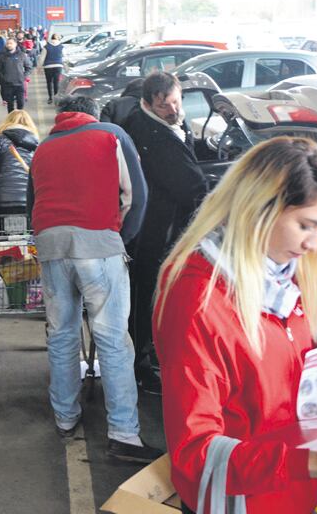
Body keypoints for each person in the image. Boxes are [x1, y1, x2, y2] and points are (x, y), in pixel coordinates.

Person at [155, 136, 317, 513]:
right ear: (260, 208)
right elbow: (197, 452)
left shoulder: (280, 270)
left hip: (295, 488)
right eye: (306, 226)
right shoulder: (198, 300)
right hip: (244, 500)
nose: (313, 244)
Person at [28, 95, 155, 462]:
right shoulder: (111, 134)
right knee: (113, 340)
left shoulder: (43, 148)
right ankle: (124, 435)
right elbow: (137, 195)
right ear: (92, 114)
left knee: (62, 334)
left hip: (51, 247)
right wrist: (121, 237)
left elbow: (30, 202)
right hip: (98, 244)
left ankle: (65, 418)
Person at [124, 72, 208, 394]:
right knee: (149, 298)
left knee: (147, 297)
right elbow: (191, 186)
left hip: (152, 227)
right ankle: (143, 366)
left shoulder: (159, 123)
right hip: (156, 232)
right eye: (164, 106)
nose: (173, 110)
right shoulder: (155, 137)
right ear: (148, 104)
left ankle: (145, 359)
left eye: (175, 102)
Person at [0, 38, 30, 113]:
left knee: (21, 104)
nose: (9, 45)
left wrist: (23, 77)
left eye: (11, 43)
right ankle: (11, 120)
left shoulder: (21, 55)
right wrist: (3, 79)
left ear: (15, 44)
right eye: (7, 43)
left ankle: (19, 120)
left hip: (19, 83)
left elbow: (28, 67)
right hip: (8, 84)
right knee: (10, 105)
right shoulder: (2, 56)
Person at [42, 33, 65, 104]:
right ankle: (56, 98)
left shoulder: (46, 47)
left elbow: (42, 58)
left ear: (51, 39)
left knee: (49, 82)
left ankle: (50, 98)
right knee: (56, 82)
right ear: (58, 38)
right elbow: (64, 57)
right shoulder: (62, 47)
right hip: (58, 66)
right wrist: (65, 66)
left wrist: (39, 67)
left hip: (48, 66)